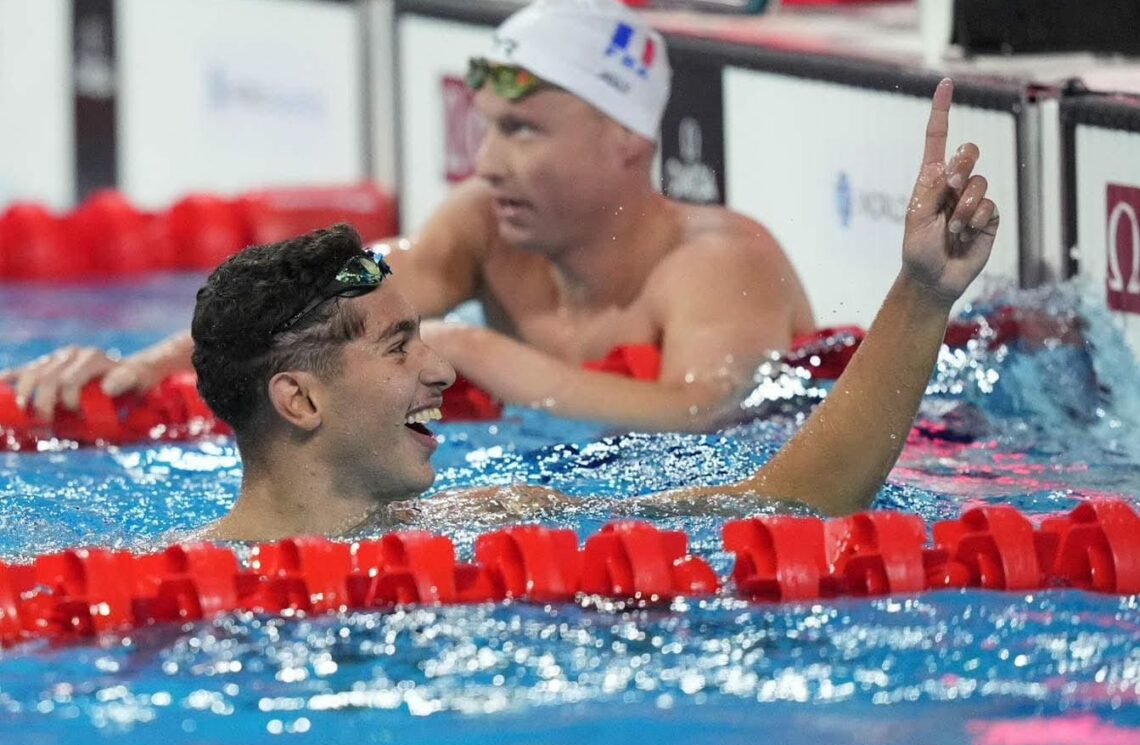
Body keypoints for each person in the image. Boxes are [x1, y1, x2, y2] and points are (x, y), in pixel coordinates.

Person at [193, 78, 998, 540]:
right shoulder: (175, 593)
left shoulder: (492, 523)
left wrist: (922, 294)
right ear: (298, 399)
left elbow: (794, 501)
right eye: (401, 346)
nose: (442, 365)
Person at [1, 0, 815, 434]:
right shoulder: (484, 223)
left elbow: (707, 409)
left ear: (625, 141)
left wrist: (476, 350)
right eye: (489, 128)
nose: (488, 161)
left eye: (524, 130)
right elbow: (323, 294)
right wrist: (150, 363)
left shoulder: (715, 263)